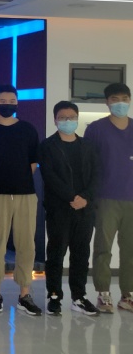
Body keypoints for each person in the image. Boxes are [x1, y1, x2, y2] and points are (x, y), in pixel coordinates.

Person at [0, 84, 42, 316]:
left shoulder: (28, 129)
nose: (7, 104)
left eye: (12, 101)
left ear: (17, 103)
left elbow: (33, 163)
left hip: (26, 194)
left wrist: (18, 180)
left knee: (27, 245)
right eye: (3, 101)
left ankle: (24, 294)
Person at [39, 101, 100, 316]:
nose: (67, 121)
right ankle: (54, 295)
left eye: (71, 117)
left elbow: (96, 175)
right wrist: (71, 197)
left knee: (81, 253)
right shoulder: (47, 146)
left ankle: (79, 296)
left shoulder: (88, 145)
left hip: (85, 209)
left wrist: (85, 198)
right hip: (59, 208)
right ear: (55, 120)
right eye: (62, 117)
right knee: (56, 253)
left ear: (77, 118)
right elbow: (49, 176)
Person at [84, 82, 133, 313]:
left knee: (130, 250)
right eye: (115, 99)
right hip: (105, 197)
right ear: (107, 102)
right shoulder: (96, 129)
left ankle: (127, 294)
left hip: (131, 197)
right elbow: (87, 164)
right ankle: (103, 293)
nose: (120, 103)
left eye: (124, 98)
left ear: (130, 100)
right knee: (103, 248)